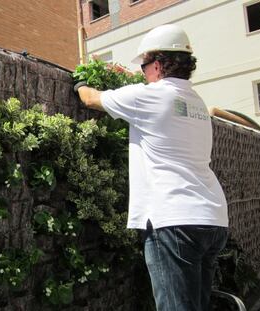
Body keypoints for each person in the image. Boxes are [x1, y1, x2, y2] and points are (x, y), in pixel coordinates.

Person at [73, 24, 228, 311]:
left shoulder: (149, 96)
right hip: (213, 219)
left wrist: (79, 82)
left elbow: (91, 99)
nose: (142, 73)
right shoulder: (196, 102)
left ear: (156, 65)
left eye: (144, 67)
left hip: (175, 220)